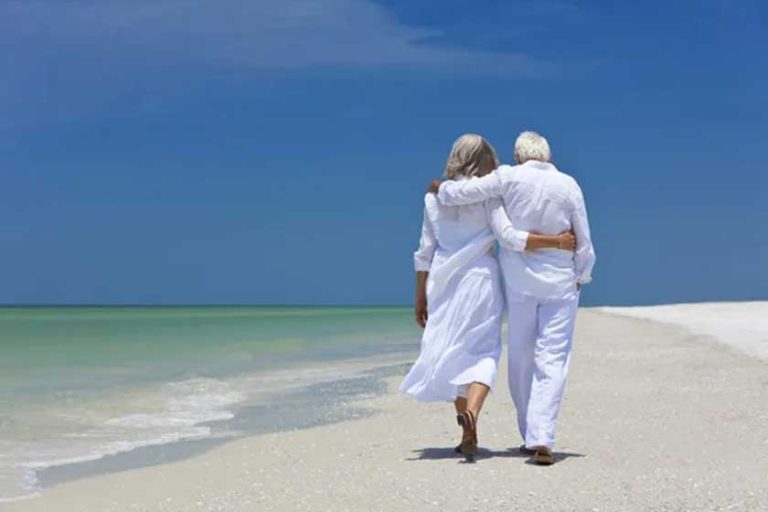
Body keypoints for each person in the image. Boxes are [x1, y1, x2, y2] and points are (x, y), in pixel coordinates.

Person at [400, 134, 576, 461]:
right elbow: (508, 237)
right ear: (486, 161)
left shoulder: (433, 200)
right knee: (483, 351)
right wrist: (557, 242)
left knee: (453, 350)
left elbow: (424, 253)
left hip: (441, 283)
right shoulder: (491, 198)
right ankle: (474, 416)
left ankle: (466, 426)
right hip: (480, 280)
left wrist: (419, 297)